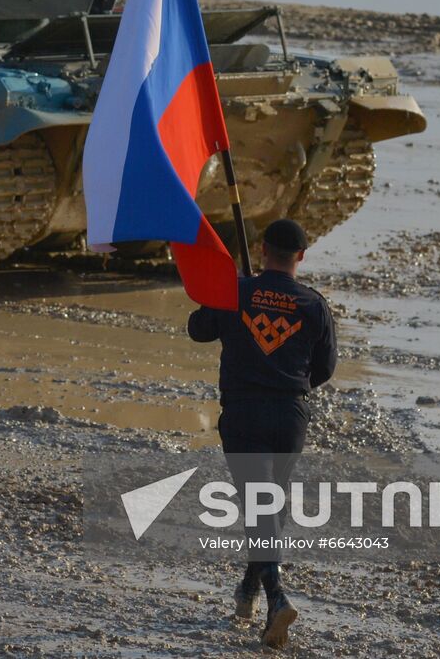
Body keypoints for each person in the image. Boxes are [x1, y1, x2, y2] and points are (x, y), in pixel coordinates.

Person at [187, 218, 337, 650]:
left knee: (259, 507)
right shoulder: (313, 304)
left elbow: (198, 330)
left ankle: (275, 596)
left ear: (262, 247)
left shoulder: (237, 291)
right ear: (302, 257)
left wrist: (215, 287)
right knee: (269, 506)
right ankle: (248, 593)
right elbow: (325, 369)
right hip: (290, 415)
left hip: (246, 411)